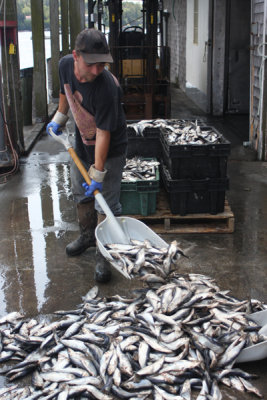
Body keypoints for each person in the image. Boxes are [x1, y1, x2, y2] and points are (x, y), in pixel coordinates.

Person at [46, 28, 127, 283]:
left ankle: (103, 254)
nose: (97, 70)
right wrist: (59, 118)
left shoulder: (107, 87)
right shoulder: (64, 66)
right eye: (92, 64)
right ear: (76, 57)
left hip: (110, 150)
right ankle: (87, 236)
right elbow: (65, 92)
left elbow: (104, 134)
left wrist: (98, 174)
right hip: (81, 144)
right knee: (80, 193)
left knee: (105, 202)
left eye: (102, 64)